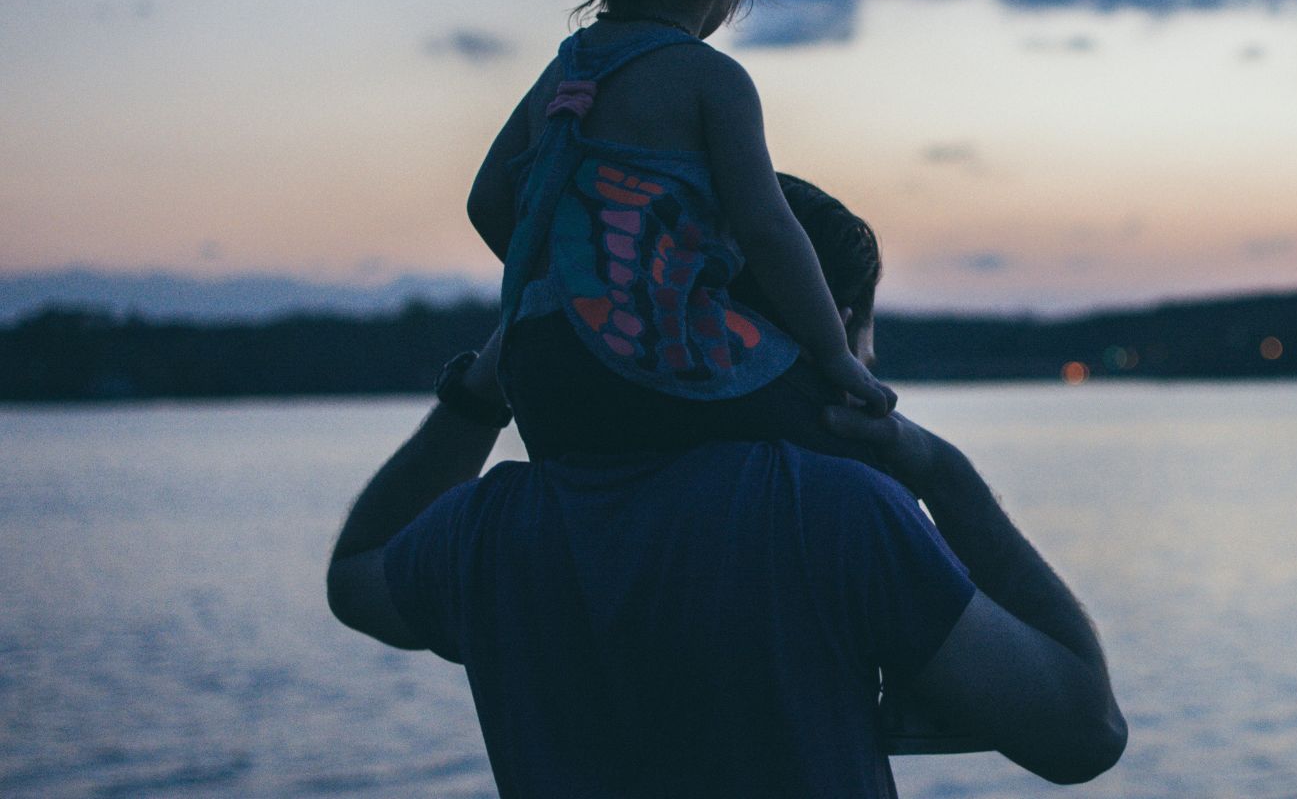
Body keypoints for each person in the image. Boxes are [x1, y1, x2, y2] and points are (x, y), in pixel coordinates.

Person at [326, 175, 1127, 797]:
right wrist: (943, 474)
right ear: (831, 331)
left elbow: (357, 576)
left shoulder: (495, 528)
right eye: (864, 351)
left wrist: (483, 388)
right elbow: (1084, 733)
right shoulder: (832, 515)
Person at [466, 0, 893, 470]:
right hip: (656, 357)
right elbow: (768, 229)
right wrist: (833, 354)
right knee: (846, 444)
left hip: (540, 372)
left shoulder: (562, 75)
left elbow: (487, 204)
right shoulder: (710, 79)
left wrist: (577, 277)